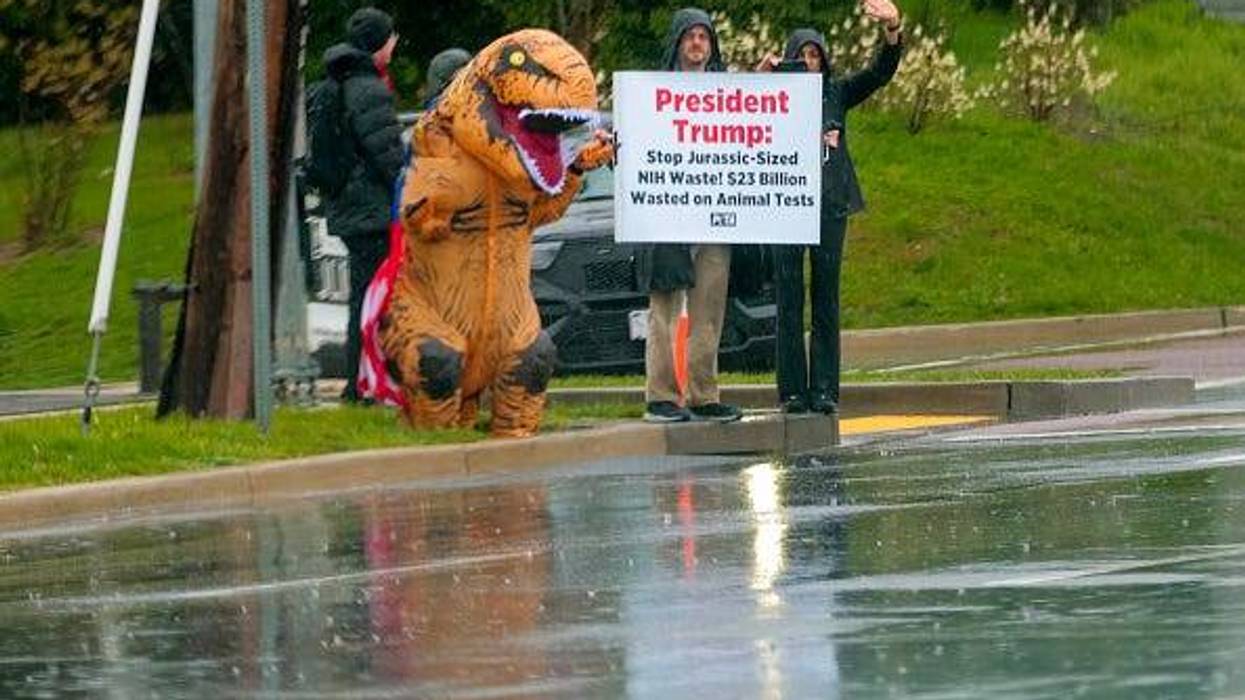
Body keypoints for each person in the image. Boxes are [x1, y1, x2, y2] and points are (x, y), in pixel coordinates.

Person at [758, 0, 904, 414]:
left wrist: (892, 29)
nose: (808, 62)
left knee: (826, 297)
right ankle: (791, 392)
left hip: (829, 205)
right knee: (788, 299)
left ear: (824, 61)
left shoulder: (836, 93)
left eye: (814, 55)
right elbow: (735, 110)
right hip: (786, 207)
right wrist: (762, 78)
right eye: (801, 56)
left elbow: (879, 73)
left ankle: (824, 389)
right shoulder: (770, 99)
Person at [637, 8, 743, 424]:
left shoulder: (728, 95)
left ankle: (704, 394)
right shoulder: (652, 93)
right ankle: (660, 395)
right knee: (663, 306)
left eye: (704, 37)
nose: (697, 43)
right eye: (690, 36)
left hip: (715, 215)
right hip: (666, 214)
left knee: (709, 307)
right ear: (678, 43)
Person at [321, 8, 405, 403]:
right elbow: (387, 153)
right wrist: (407, 189)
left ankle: (363, 381)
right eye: (390, 37)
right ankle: (364, 383)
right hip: (372, 210)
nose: (395, 42)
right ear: (378, 45)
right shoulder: (369, 88)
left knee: (363, 296)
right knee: (373, 299)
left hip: (348, 207)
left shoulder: (337, 82)